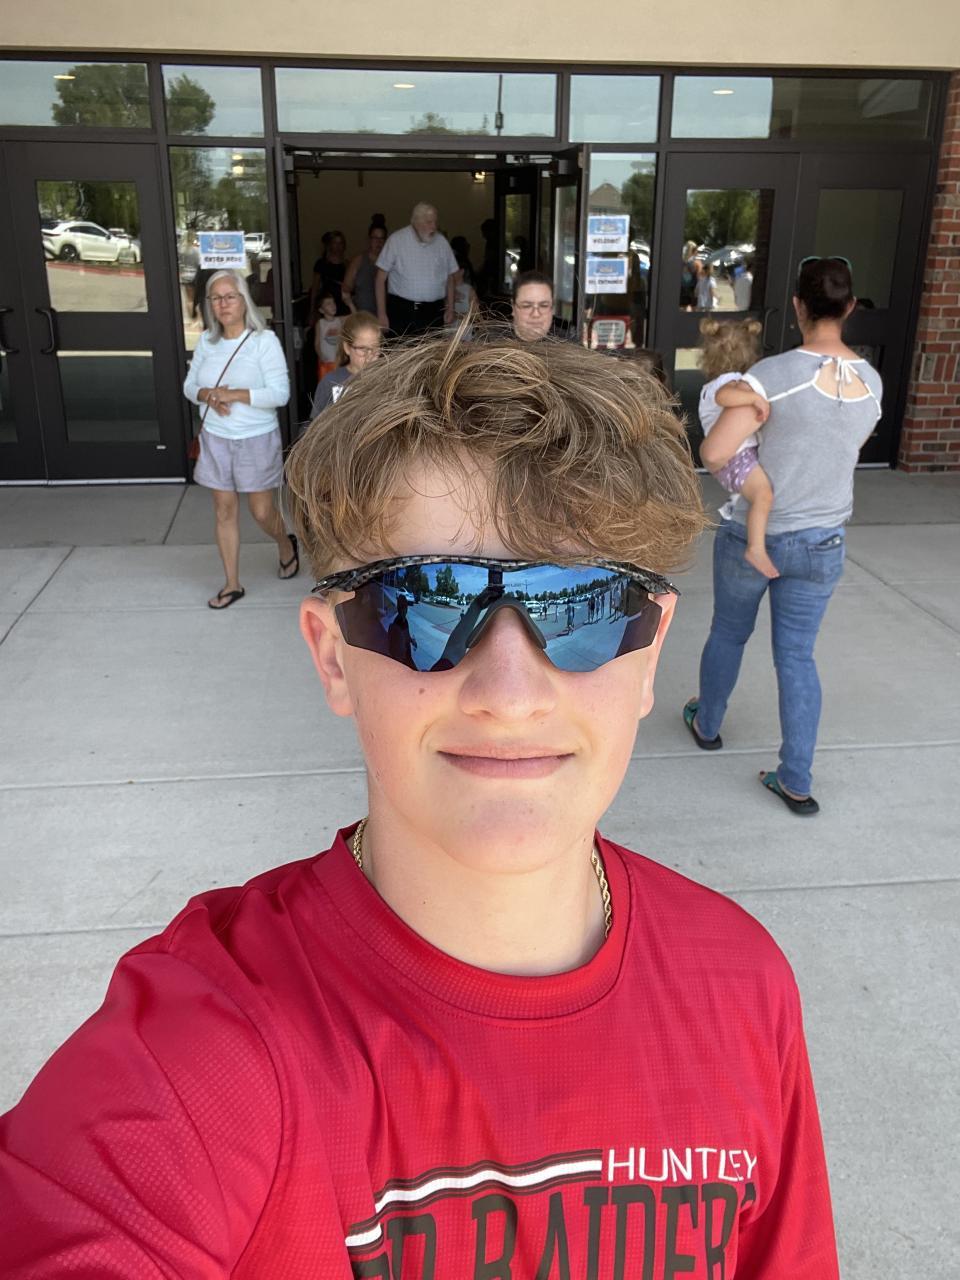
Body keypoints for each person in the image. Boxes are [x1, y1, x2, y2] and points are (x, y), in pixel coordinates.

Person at [0, 338, 841, 1278]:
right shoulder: (203, 1053)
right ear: (332, 657)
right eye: (427, 605)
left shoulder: (746, 988)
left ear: (649, 653)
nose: (509, 694)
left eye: (586, 606)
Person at [685, 257, 882, 817]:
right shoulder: (871, 381)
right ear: (849, 308)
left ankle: (707, 723)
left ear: (798, 306)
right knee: (797, 657)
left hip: (757, 535)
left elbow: (715, 451)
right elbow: (847, 447)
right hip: (823, 541)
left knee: (728, 633)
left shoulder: (772, 375)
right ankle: (795, 778)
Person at [181, 269, 298, 609]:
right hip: (216, 438)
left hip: (256, 438)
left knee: (261, 512)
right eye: (216, 298)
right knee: (224, 510)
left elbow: (280, 394)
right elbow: (189, 386)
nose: (223, 304)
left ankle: (285, 543)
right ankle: (232, 584)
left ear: (244, 300)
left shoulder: (263, 341)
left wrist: (234, 395)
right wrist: (207, 394)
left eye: (230, 296)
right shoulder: (207, 341)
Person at [698, 317, 778, 579]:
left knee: (756, 494)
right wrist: (754, 398)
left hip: (732, 459)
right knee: (763, 495)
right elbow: (724, 397)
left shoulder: (711, 385)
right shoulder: (730, 382)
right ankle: (756, 548)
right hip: (737, 458)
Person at [375, 202, 458, 336]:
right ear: (416, 222)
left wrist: (451, 308)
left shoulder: (442, 242)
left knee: (433, 349)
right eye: (429, 222)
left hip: (434, 312)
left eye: (435, 222)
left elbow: (450, 277)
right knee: (401, 348)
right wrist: (381, 313)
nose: (434, 226)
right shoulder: (396, 240)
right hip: (402, 311)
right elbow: (380, 279)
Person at [309, 309, 381, 417]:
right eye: (363, 349)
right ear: (347, 348)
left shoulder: (385, 379)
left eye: (375, 348)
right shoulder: (330, 382)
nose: (369, 355)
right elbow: (315, 423)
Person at [342, 218, 387, 316]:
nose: (379, 242)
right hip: (362, 314)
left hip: (384, 315)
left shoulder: (390, 261)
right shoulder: (358, 260)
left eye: (382, 238)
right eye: (375, 238)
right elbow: (346, 288)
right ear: (369, 239)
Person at [309, 229, 348, 320]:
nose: (338, 246)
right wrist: (312, 310)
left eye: (340, 243)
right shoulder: (321, 263)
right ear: (330, 245)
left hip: (343, 304)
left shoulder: (347, 264)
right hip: (327, 304)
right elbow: (315, 288)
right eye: (335, 243)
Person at [511, 269, 556, 341]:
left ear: (552, 308)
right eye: (527, 306)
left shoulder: (567, 344)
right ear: (513, 307)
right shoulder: (495, 344)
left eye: (544, 306)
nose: (536, 314)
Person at [313, 290, 342, 382]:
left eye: (333, 302)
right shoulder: (320, 323)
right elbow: (317, 343)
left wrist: (349, 303)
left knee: (339, 386)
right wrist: (321, 356)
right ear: (321, 310)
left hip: (339, 362)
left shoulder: (339, 320)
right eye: (328, 304)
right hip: (326, 362)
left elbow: (354, 315)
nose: (333, 305)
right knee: (327, 386)